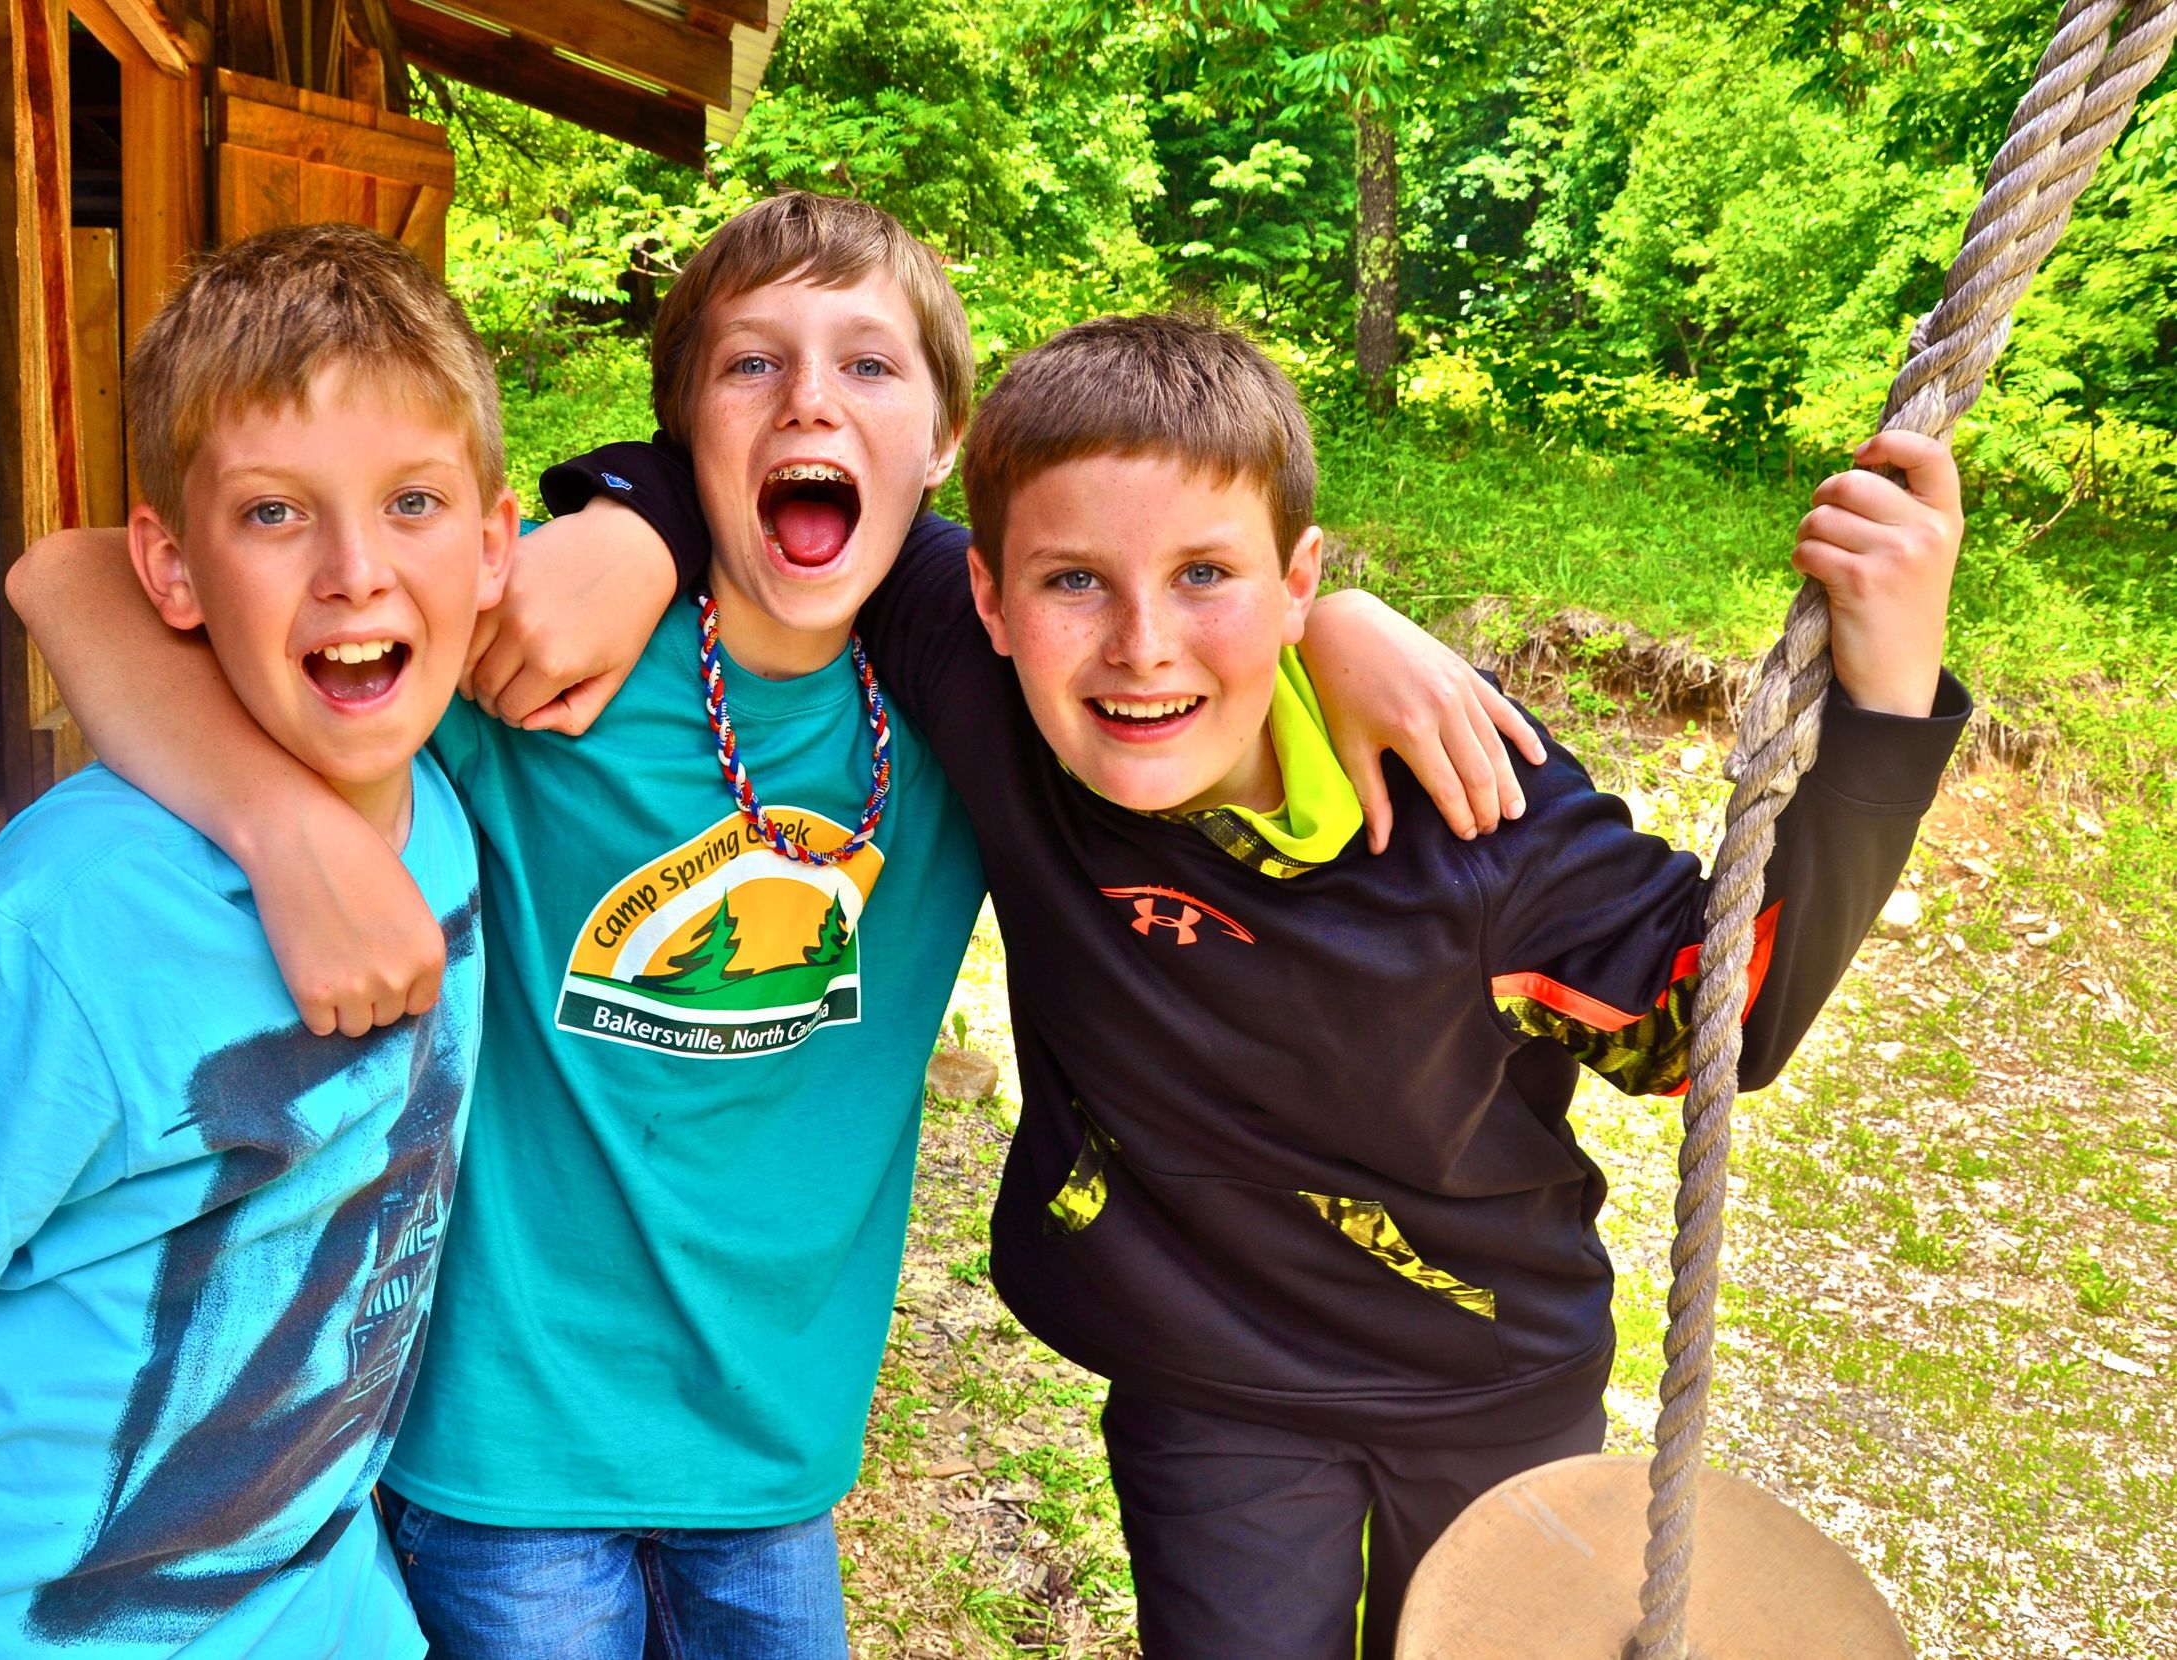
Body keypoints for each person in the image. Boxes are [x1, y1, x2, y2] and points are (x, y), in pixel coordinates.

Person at [4, 194, 1532, 1660]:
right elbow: (72, 574)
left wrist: (1333, 621)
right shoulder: (538, 657)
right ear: (687, 439)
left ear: (943, 442)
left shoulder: (986, 699)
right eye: (753, 364)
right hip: (507, 1448)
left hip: (774, 1457)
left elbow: (1171, 587)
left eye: (868, 365)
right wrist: (279, 826)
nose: (810, 401)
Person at [541, 310, 1970, 1658]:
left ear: (1298, 580)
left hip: (1482, 1381)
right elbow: (797, 488)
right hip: (1206, 1382)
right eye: (1073, 580)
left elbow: (1718, 1022)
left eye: (1208, 576)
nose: (1140, 646)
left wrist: (1889, 697)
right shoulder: (992, 686)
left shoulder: (1469, 812)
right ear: (986, 593)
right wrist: (629, 527)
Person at [0, 222, 513, 1657]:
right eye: (273, 515)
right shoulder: (64, 927)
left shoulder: (451, 792)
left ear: (499, 547)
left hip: (306, 1605)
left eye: (415, 503)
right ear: (171, 571)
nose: (356, 571)